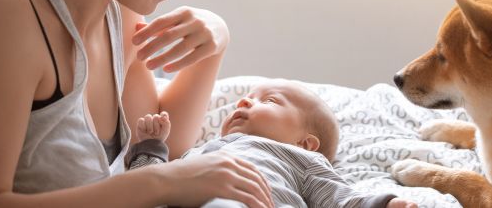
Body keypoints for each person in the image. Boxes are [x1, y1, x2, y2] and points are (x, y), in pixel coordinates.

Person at [0, 0, 275, 207]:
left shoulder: (119, 14)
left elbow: (165, 139)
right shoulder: (4, 7)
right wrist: (156, 183)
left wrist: (216, 44)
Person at [126, 79, 419, 208]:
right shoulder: (196, 153)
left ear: (305, 143)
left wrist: (384, 204)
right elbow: (146, 187)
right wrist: (152, 148)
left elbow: (339, 199)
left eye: (268, 100)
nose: (244, 101)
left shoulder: (296, 159)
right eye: (248, 98)